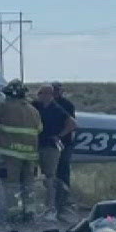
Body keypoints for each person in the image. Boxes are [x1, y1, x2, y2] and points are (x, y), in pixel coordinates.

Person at [0, 80, 41, 220]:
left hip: (11, 154)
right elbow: (39, 129)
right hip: (30, 155)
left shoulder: (3, 107)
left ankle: (15, 213)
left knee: (12, 185)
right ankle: (30, 211)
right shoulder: (34, 110)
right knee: (29, 184)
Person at [34, 84, 78, 221]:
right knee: (38, 176)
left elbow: (73, 123)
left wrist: (59, 135)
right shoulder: (35, 106)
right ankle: (43, 207)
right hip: (37, 145)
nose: (40, 95)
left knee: (50, 177)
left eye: (42, 93)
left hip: (50, 147)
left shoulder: (58, 108)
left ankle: (51, 208)